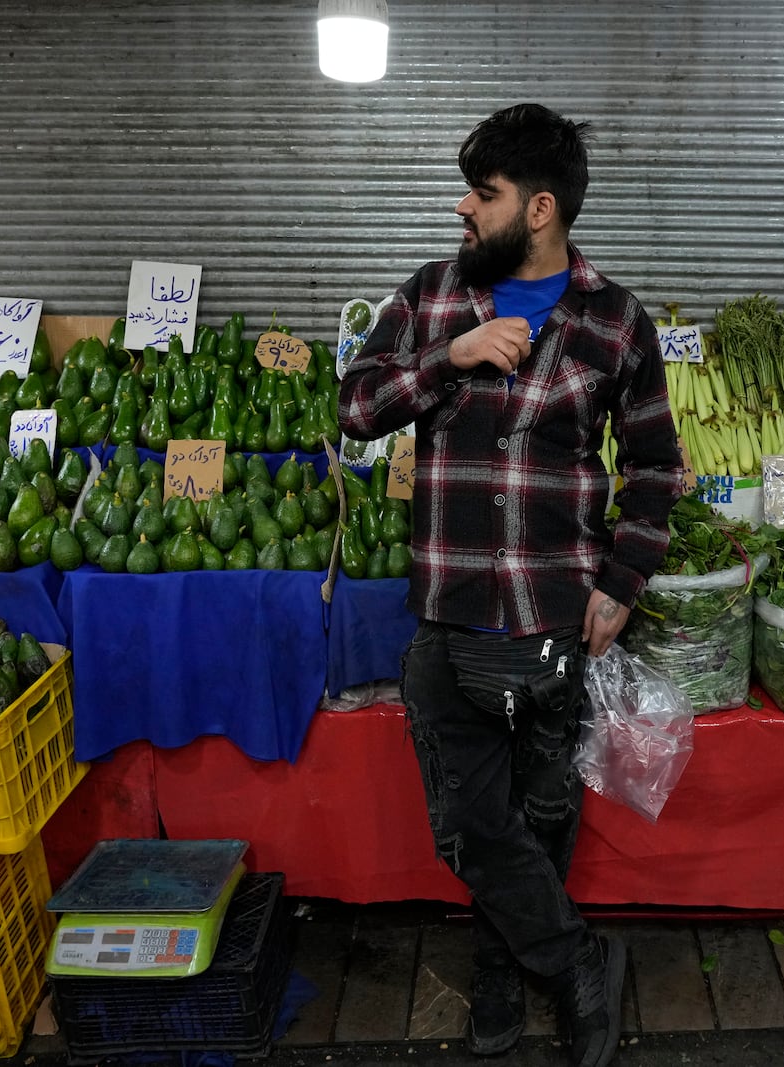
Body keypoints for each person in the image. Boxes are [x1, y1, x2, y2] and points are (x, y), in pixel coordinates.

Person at [338, 103, 682, 1067]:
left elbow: (656, 463)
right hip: (449, 617)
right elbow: (355, 405)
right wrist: (445, 359)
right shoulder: (435, 298)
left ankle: (505, 962)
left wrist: (624, 580)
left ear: (538, 209)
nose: (460, 208)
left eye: (480, 194)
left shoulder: (615, 321)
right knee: (469, 822)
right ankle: (572, 963)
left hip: (555, 621)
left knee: (541, 813)